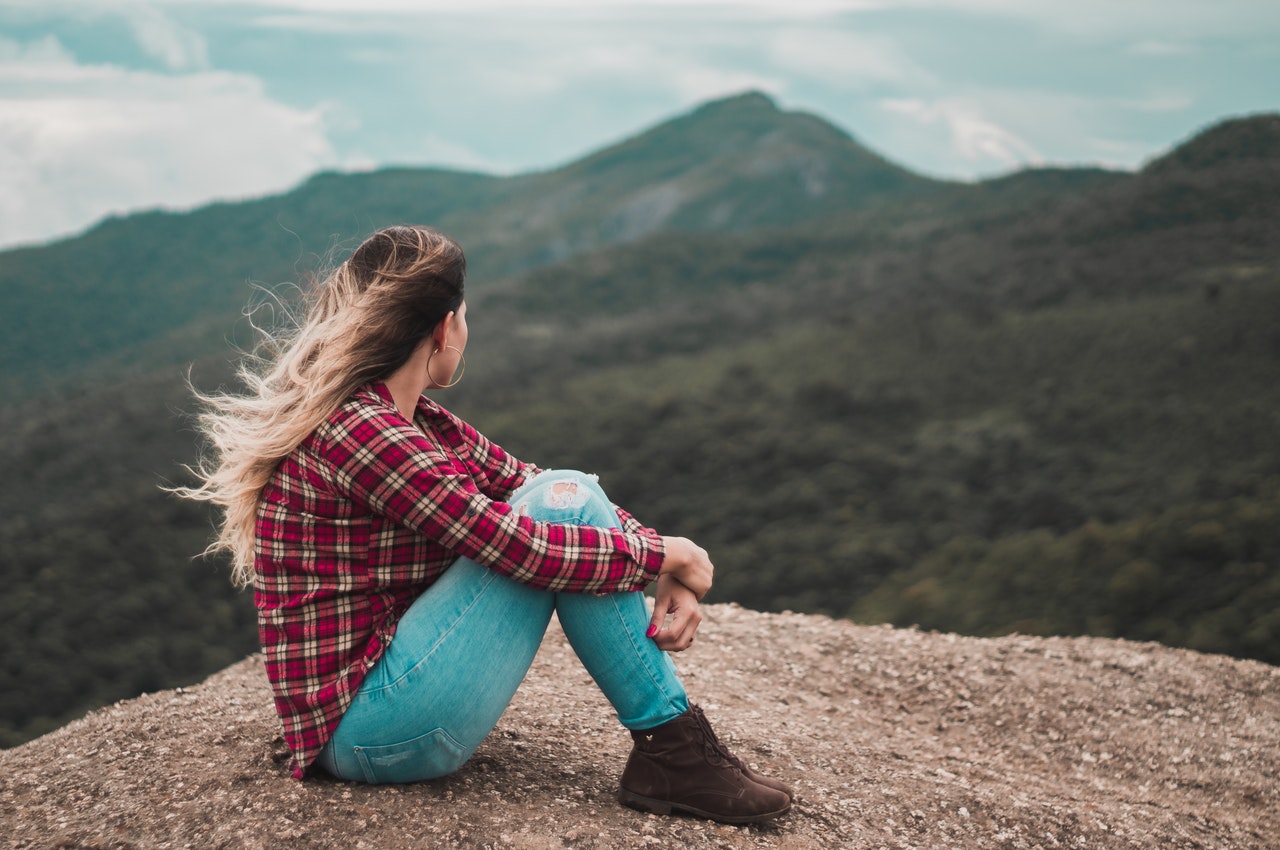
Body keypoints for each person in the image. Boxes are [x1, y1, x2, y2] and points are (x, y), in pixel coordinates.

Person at [178, 224, 792, 824]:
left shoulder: (411, 420)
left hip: (385, 705)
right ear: (444, 327)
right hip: (369, 728)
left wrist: (661, 556)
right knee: (554, 511)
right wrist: (663, 555)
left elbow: (536, 483)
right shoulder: (363, 431)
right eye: (465, 317)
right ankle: (675, 753)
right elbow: (516, 543)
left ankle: (675, 752)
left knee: (559, 491)